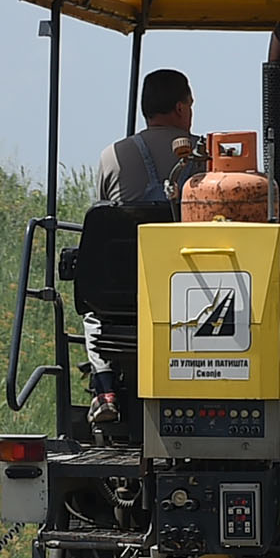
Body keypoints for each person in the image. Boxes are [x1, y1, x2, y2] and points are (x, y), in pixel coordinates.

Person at [82, 70, 204, 438]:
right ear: (181, 108)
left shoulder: (112, 157)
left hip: (124, 296)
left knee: (93, 313)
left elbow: (105, 219)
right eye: (191, 105)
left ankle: (105, 390)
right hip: (193, 293)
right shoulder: (204, 158)